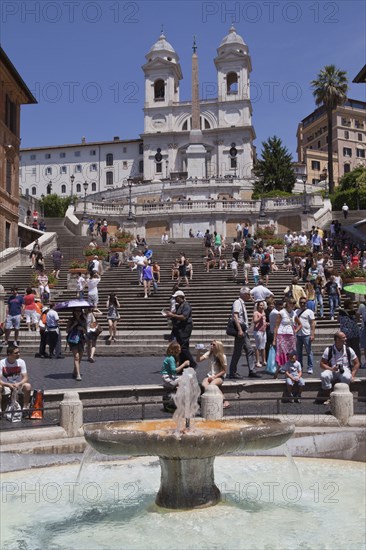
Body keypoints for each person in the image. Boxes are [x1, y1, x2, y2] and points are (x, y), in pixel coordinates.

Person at [228, 287, 259, 379]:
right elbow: (235, 316)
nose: (250, 296)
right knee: (237, 352)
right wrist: (240, 330)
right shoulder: (237, 302)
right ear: (245, 294)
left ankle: (252, 370)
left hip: (244, 331)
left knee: (249, 350)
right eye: (249, 294)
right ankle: (233, 372)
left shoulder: (242, 303)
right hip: (240, 331)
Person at [320, 331, 360, 404]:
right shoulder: (329, 349)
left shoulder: (348, 349)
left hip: (345, 369)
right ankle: (329, 397)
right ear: (337, 339)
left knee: (347, 377)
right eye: (343, 337)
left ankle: (343, 397)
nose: (346, 339)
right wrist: (331, 369)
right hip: (332, 369)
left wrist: (353, 375)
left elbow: (357, 363)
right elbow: (322, 364)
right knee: (324, 375)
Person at [165, 291, 197, 369]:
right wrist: (171, 314)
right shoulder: (179, 305)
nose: (175, 299)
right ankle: (184, 364)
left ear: (181, 297)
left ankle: (192, 363)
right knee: (182, 346)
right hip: (179, 328)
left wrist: (173, 315)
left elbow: (184, 317)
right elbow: (177, 315)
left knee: (183, 346)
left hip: (185, 328)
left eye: (176, 297)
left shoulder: (186, 305)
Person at [196, 340, 230, 408]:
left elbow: (224, 370)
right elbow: (198, 360)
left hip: (219, 376)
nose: (211, 345)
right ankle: (210, 398)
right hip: (209, 375)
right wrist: (199, 351)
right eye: (211, 344)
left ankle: (225, 401)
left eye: (213, 344)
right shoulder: (209, 353)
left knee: (212, 385)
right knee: (204, 384)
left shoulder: (223, 356)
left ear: (218, 347)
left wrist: (214, 377)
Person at [0, 345, 32, 411]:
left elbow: (26, 378)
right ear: (9, 354)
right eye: (16, 353)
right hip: (6, 385)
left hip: (18, 385)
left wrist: (19, 384)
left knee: (28, 386)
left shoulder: (21, 362)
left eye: (19, 352)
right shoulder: (2, 363)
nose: (19, 354)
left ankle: (25, 408)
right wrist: (7, 385)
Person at [273, 298, 302, 370]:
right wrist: (274, 339)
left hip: (291, 335)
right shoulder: (281, 312)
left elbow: (300, 324)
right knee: (282, 351)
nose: (293, 305)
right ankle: (281, 366)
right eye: (292, 303)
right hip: (281, 334)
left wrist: (295, 331)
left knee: (291, 352)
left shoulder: (294, 313)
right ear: (288, 303)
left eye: (294, 303)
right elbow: (276, 326)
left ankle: (290, 367)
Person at [295, 298, 316, 374]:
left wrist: (312, 334)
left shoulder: (309, 312)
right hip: (298, 335)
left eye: (304, 303)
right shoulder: (296, 311)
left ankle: (310, 367)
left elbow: (313, 323)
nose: (302, 304)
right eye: (301, 302)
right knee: (298, 352)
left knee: (309, 352)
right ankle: (299, 367)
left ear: (306, 303)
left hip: (306, 334)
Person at [66, 309, 87, 380]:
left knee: (80, 356)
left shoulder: (83, 320)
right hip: (72, 339)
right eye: (76, 311)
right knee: (76, 357)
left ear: (81, 312)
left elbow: (86, 331)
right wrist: (73, 325)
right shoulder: (71, 320)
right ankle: (78, 374)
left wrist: (82, 329)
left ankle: (75, 370)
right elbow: (67, 330)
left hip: (81, 339)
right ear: (74, 312)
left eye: (79, 311)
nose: (78, 313)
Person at [253, 301, 268, 368]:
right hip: (258, 331)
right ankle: (257, 361)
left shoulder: (263, 313)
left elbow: (264, 321)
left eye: (262, 305)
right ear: (258, 306)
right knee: (258, 346)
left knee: (263, 346)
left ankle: (264, 360)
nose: (262, 307)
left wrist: (266, 323)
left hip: (264, 331)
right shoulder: (256, 313)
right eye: (260, 305)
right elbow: (255, 321)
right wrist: (260, 317)